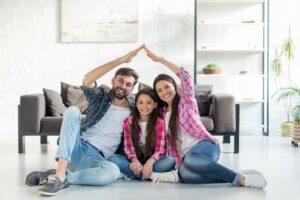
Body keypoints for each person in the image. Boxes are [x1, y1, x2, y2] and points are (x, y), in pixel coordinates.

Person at [25, 45, 144, 196]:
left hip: (96, 158)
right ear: (113, 80)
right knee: (73, 111)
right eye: (120, 81)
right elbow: (87, 80)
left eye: (128, 84)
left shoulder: (136, 107)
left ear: (132, 89)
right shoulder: (101, 96)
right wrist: (121, 60)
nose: (123, 86)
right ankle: (60, 173)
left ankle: (58, 177)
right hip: (76, 147)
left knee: (113, 172)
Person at [143, 45, 267, 188]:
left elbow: (186, 76)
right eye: (159, 90)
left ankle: (241, 180)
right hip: (186, 157)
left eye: (166, 86)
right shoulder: (161, 114)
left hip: (205, 146)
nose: (164, 92)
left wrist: (160, 60)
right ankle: (234, 174)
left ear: (174, 86)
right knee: (185, 175)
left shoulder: (186, 101)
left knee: (190, 161)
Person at [110, 88, 176, 181]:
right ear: (136, 104)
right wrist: (134, 160)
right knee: (114, 159)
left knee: (170, 161)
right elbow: (128, 146)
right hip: (137, 160)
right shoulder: (128, 121)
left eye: (149, 103)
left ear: (154, 105)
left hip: (153, 161)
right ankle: (151, 176)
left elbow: (160, 149)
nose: (144, 106)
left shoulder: (159, 122)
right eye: (140, 102)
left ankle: (132, 174)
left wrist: (150, 162)